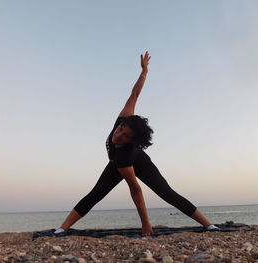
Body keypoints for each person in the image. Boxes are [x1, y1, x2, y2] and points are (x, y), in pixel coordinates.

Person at [54, 51, 219, 236]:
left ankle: (209, 225)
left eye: (125, 137)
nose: (119, 136)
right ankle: (62, 228)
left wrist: (146, 224)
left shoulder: (125, 155)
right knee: (96, 194)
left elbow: (135, 190)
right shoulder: (123, 120)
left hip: (138, 163)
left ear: (132, 141)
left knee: (167, 193)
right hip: (115, 162)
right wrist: (144, 71)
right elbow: (135, 94)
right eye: (120, 130)